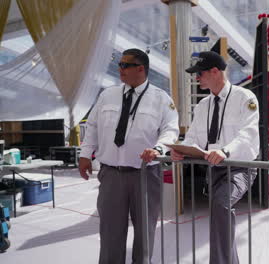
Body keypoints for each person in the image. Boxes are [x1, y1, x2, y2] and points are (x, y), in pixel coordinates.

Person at [79, 48, 179, 264]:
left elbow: (171, 130)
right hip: (111, 174)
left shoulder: (161, 99)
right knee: (110, 232)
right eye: (120, 64)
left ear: (141, 69)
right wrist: (85, 154)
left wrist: (159, 149)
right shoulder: (108, 95)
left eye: (125, 65)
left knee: (145, 231)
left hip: (145, 174)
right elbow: (93, 126)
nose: (120, 69)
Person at [171, 51, 259, 264]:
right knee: (220, 216)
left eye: (199, 73)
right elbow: (192, 137)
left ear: (215, 71)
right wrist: (179, 150)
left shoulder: (244, 98)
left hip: (240, 167)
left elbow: (248, 134)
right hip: (214, 169)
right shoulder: (202, 106)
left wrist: (225, 151)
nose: (196, 78)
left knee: (221, 206)